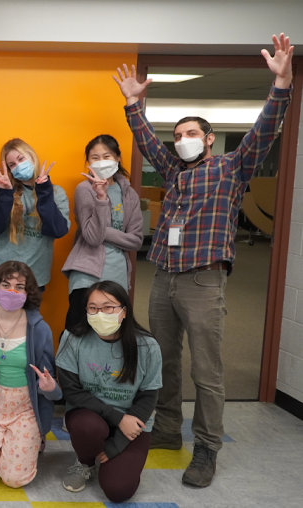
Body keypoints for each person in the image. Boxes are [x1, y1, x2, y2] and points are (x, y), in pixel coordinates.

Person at [112, 33, 293, 487]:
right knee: (165, 359)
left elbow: (263, 132)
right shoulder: (173, 172)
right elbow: (146, 142)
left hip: (204, 282)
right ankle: (169, 430)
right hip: (166, 279)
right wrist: (134, 105)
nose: (182, 141)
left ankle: (207, 448)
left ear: (209, 139)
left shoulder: (232, 167)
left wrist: (282, 85)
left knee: (206, 370)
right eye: (178, 135)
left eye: (191, 134)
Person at [56, 281, 162, 503]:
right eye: (93, 308)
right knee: (87, 427)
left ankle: (111, 458)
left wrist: (117, 445)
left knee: (118, 491)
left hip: (133, 423)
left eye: (108, 307)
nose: (99, 313)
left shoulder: (147, 346)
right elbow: (72, 392)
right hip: (91, 416)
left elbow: (148, 396)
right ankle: (85, 462)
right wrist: (118, 417)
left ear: (124, 311)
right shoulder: (72, 339)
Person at [0, 261, 61, 488]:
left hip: (26, 408)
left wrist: (50, 387)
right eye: (5, 285)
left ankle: (30, 439)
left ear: (28, 293)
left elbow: (53, 388)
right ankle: (3, 443)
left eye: (19, 287)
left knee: (13, 479)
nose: (11, 292)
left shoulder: (40, 329)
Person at [62, 135, 143, 333]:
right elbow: (91, 238)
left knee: (114, 333)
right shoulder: (84, 189)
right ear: (88, 162)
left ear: (117, 158)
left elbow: (136, 241)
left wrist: (102, 230)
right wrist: (101, 198)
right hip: (86, 273)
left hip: (117, 274)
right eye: (94, 157)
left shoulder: (129, 194)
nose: (101, 161)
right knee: (78, 332)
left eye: (106, 156)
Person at [0, 139, 70, 289]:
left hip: (34, 275)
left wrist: (44, 191)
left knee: (29, 314)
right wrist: (6, 194)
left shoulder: (56, 193)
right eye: (12, 165)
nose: (18, 166)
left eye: (21, 159)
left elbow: (58, 231)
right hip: (1, 273)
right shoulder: (5, 189)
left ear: (32, 157)